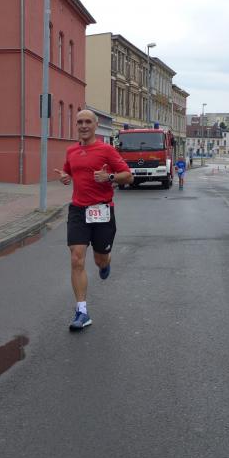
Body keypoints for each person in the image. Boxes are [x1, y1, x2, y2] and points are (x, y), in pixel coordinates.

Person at [54, 110, 133, 331]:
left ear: (96, 125)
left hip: (102, 210)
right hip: (78, 210)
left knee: (100, 260)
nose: (83, 125)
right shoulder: (71, 151)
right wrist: (65, 177)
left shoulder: (106, 150)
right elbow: (69, 172)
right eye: (80, 122)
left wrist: (109, 177)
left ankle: (105, 263)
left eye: (88, 121)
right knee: (76, 259)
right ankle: (82, 311)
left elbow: (128, 176)